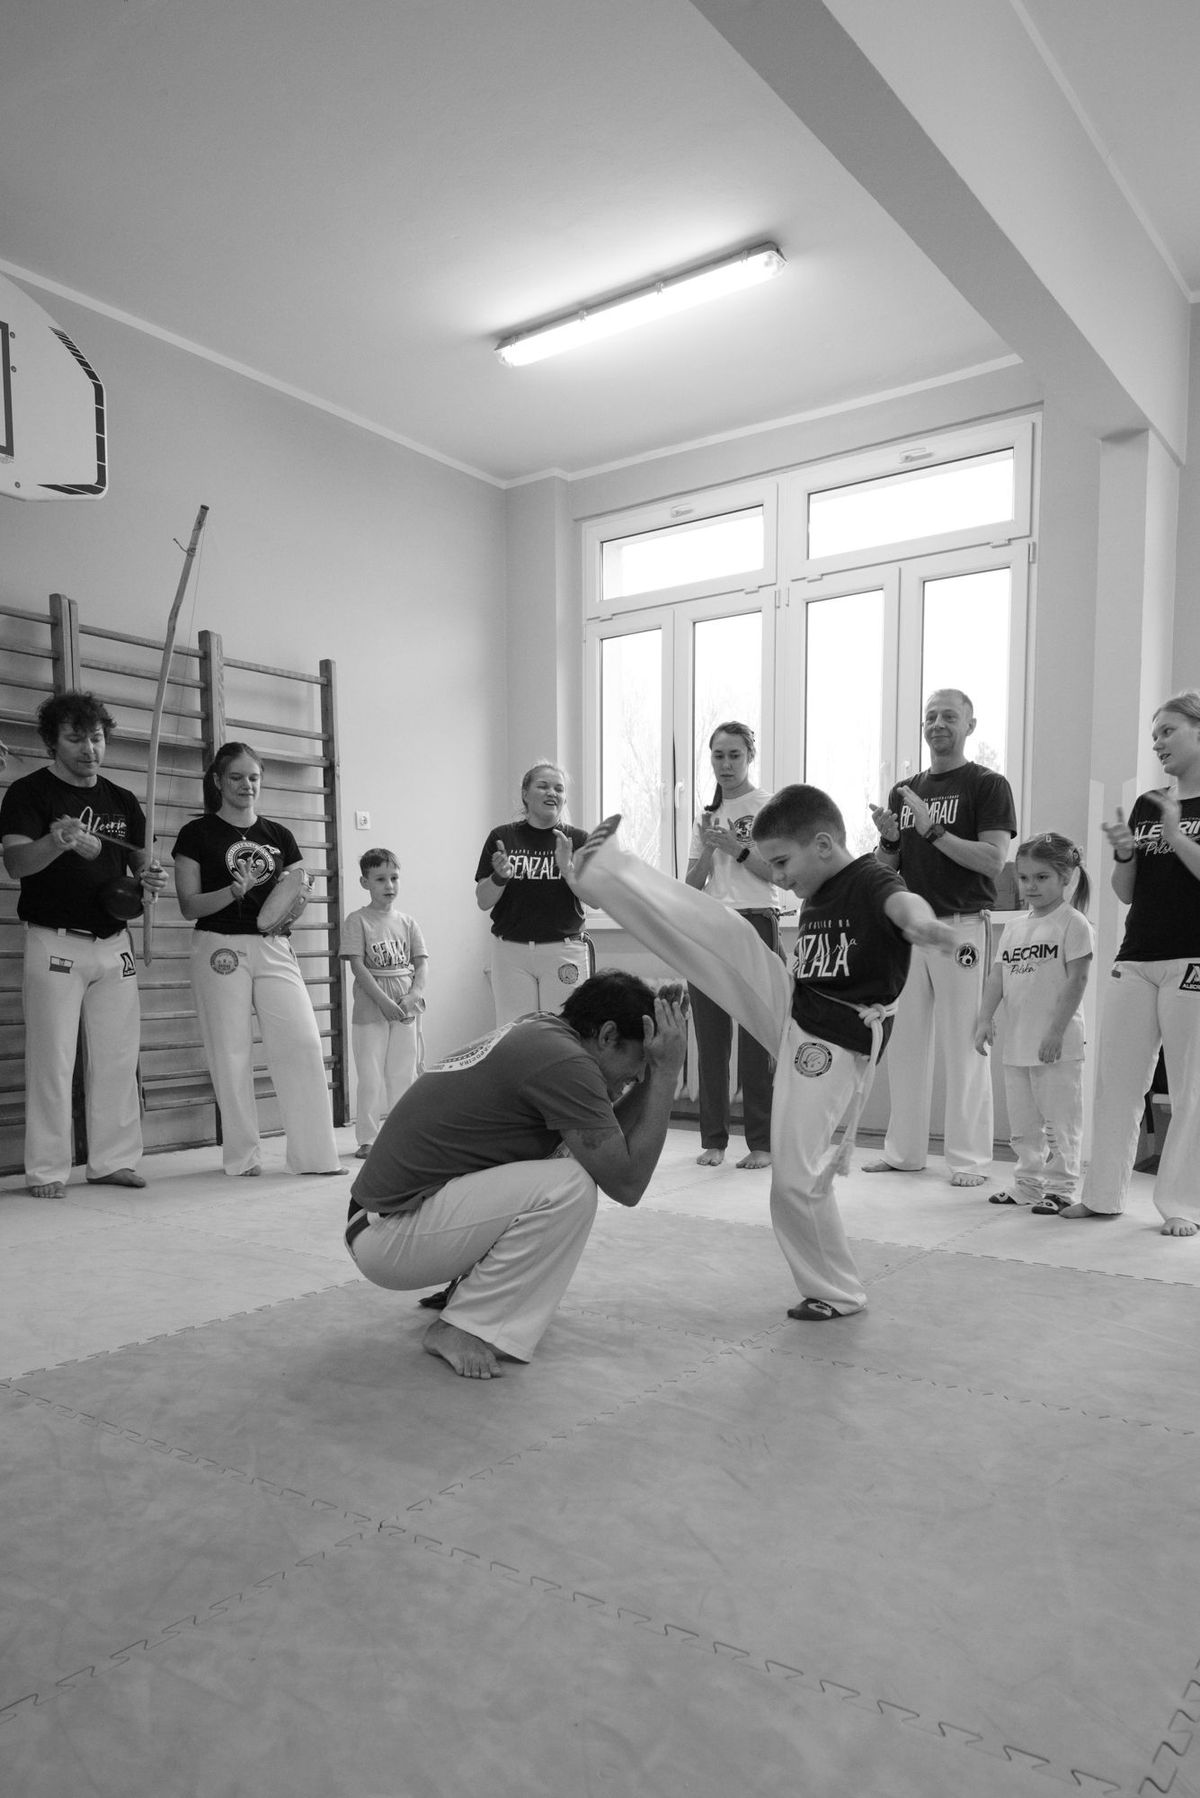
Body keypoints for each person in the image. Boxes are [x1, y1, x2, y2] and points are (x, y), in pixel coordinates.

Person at [561, 793, 958, 1320]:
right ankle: (604, 873)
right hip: (796, 1004)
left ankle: (836, 1291)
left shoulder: (870, 879)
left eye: (781, 863)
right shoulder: (817, 886)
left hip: (833, 1041)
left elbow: (902, 903)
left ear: (822, 845)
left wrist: (922, 925)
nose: (778, 876)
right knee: (725, 932)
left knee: (794, 1177)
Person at [343, 971, 688, 1378]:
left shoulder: (544, 1032)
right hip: (389, 1236)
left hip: (386, 1221)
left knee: (571, 1161)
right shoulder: (566, 1063)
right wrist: (667, 1072)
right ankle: (463, 1325)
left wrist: (652, 1067)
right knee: (570, 1185)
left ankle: (471, 1293)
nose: (638, 1077)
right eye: (637, 1064)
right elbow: (627, 1183)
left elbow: (608, 1143)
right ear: (608, 1035)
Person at [0, 690, 167, 1199]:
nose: (88, 749)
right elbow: (16, 865)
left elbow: (141, 862)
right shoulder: (28, 794)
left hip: (113, 941)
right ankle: (48, 1169)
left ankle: (112, 1160)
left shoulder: (121, 800)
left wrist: (151, 877)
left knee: (118, 1055)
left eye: (96, 738)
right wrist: (57, 841)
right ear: (53, 742)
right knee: (52, 1058)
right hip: (55, 942)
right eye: (75, 738)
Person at [865, 688, 1017, 1187]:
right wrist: (891, 839)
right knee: (905, 1044)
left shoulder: (988, 785)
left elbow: (993, 861)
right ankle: (904, 1151)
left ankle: (970, 1159)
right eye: (930, 716)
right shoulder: (904, 791)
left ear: (970, 725)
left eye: (949, 716)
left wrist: (933, 831)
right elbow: (890, 867)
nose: (937, 724)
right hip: (910, 932)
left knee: (965, 1044)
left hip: (963, 927)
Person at [172, 741, 343, 1178]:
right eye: (236, 777)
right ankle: (243, 1158)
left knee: (303, 1043)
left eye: (253, 777)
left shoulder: (279, 836)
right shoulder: (197, 834)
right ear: (217, 781)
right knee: (230, 1052)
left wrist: (290, 905)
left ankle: (315, 1156)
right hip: (219, 946)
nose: (246, 785)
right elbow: (189, 906)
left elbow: (296, 889)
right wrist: (233, 892)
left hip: (273, 945)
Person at [1068, 691, 1200, 1235]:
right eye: (1155, 735)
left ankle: (1182, 1205)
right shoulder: (1150, 802)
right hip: (1137, 955)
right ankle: (1102, 1196)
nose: (1158, 743)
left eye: (1168, 731)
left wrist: (1173, 834)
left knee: (1191, 1087)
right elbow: (1126, 892)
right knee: (1118, 1080)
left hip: (1192, 958)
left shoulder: (1171, 815)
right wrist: (1126, 853)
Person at [973, 833, 1094, 1213]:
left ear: (1065, 878)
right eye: (1025, 878)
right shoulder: (1014, 928)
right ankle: (1027, 1184)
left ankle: (1060, 1188)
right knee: (1024, 1126)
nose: (1031, 886)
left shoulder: (1073, 923)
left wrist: (1056, 1031)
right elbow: (997, 979)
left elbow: (1077, 980)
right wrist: (983, 1019)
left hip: (1057, 1045)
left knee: (1059, 1124)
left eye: (1042, 877)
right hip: (1018, 1044)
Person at [685, 721, 781, 1170]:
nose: (725, 764)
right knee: (710, 1036)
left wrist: (737, 848)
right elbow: (691, 883)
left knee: (757, 1037)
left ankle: (761, 1143)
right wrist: (709, 846)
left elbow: (780, 875)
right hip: (710, 923)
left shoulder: (768, 807)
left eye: (734, 755)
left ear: (749, 757)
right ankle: (714, 1140)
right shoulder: (705, 813)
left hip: (755, 921)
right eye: (718, 756)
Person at [474, 762, 591, 1026]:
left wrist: (567, 870)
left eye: (559, 789)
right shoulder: (502, 837)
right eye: (543, 786)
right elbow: (483, 900)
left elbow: (593, 899)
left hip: (564, 950)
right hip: (511, 952)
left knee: (565, 1032)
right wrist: (499, 876)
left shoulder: (578, 840)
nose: (552, 793)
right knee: (514, 1034)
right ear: (525, 794)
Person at [340, 847, 428, 1159]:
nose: (388, 885)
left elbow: (421, 964)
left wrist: (414, 995)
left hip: (405, 1008)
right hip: (370, 1008)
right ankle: (367, 1137)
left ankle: (401, 1132)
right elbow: (358, 967)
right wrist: (383, 1002)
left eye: (393, 878)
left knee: (403, 1072)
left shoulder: (408, 922)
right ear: (365, 882)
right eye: (380, 879)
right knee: (371, 1073)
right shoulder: (357, 920)